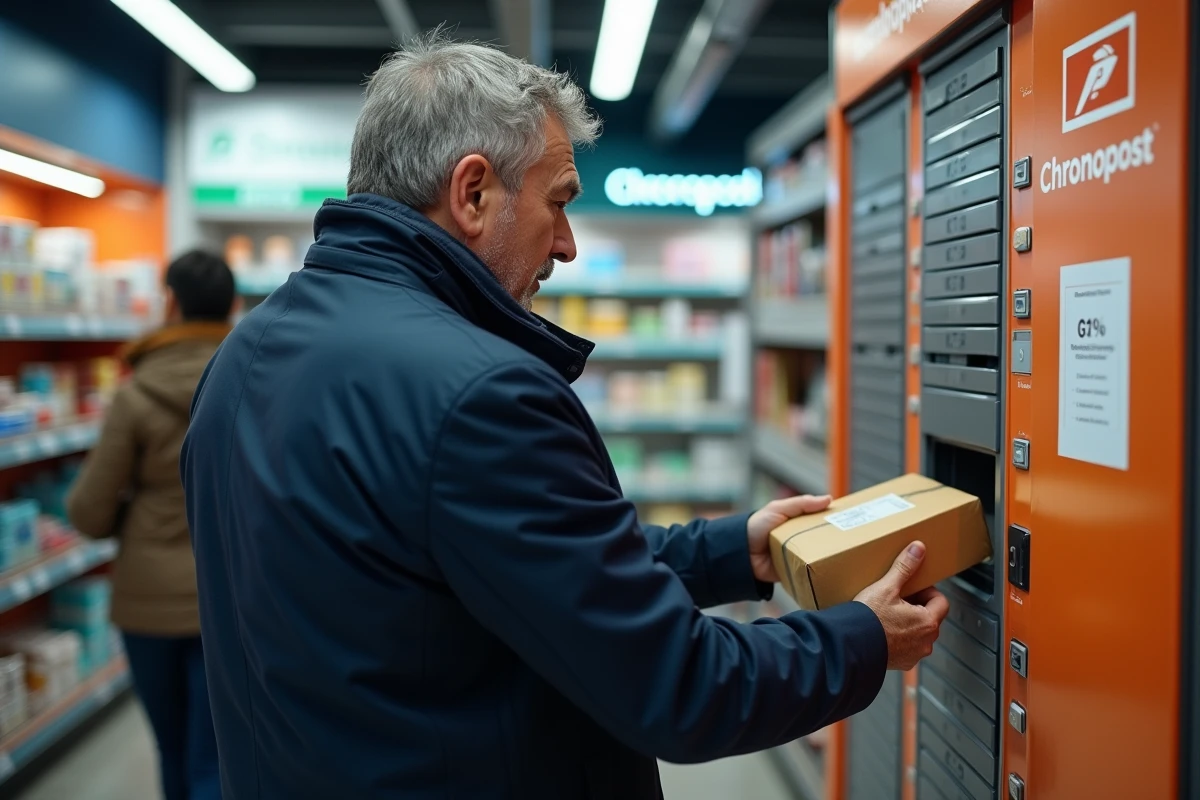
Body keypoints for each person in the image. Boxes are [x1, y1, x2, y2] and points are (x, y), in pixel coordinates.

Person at [181, 34, 948, 800]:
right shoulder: (479, 392)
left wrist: (726, 551)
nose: (569, 245)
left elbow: (494, 565)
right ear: (472, 193)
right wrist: (861, 638)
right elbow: (679, 686)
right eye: (559, 202)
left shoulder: (243, 356)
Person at [68, 250, 234, 800]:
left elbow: (88, 512)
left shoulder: (135, 394)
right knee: (215, 753)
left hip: (147, 600)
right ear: (233, 305)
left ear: (170, 303)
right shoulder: (255, 377)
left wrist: (133, 515)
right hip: (227, 591)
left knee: (171, 747)